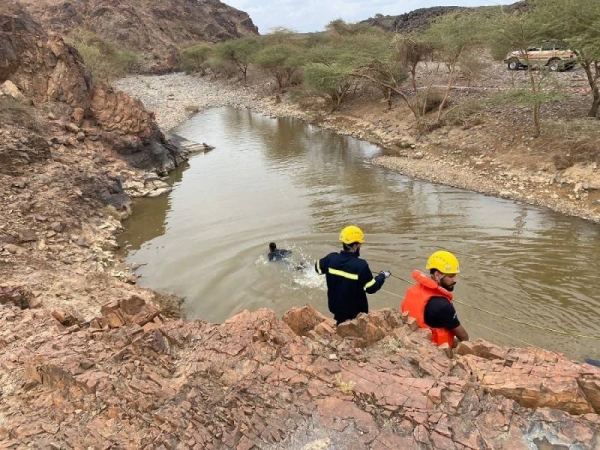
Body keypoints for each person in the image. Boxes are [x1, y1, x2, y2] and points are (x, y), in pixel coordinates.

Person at [315, 225, 390, 325]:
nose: (360, 247)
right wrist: (382, 276)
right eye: (359, 245)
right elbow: (371, 288)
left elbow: (317, 268)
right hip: (356, 312)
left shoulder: (331, 258)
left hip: (335, 307)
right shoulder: (361, 265)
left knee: (341, 325)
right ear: (354, 246)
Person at [401, 250, 469, 348]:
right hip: (435, 348)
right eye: (451, 276)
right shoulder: (443, 305)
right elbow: (463, 336)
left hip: (414, 338)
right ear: (437, 275)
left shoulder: (413, 289)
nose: (455, 280)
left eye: (455, 275)